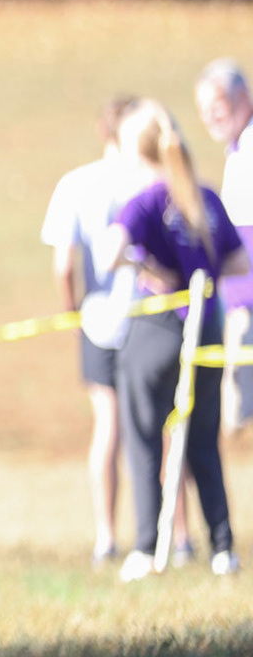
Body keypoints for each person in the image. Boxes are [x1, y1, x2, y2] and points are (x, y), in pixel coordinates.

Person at [100, 99, 248, 582]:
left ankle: (146, 548)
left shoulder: (142, 202)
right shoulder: (202, 196)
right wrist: (197, 271)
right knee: (203, 439)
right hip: (203, 326)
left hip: (156, 329)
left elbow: (108, 255)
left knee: (144, 438)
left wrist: (145, 267)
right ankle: (222, 547)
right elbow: (238, 261)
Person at [40, 95, 140, 564]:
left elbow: (64, 264)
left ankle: (106, 535)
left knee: (108, 423)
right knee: (157, 422)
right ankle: (174, 535)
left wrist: (72, 312)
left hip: (99, 318)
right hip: (150, 316)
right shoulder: (150, 180)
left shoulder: (78, 183)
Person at [193, 58, 253, 431]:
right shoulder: (238, 149)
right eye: (204, 111)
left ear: (243, 98)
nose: (211, 117)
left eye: (218, 107)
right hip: (238, 300)